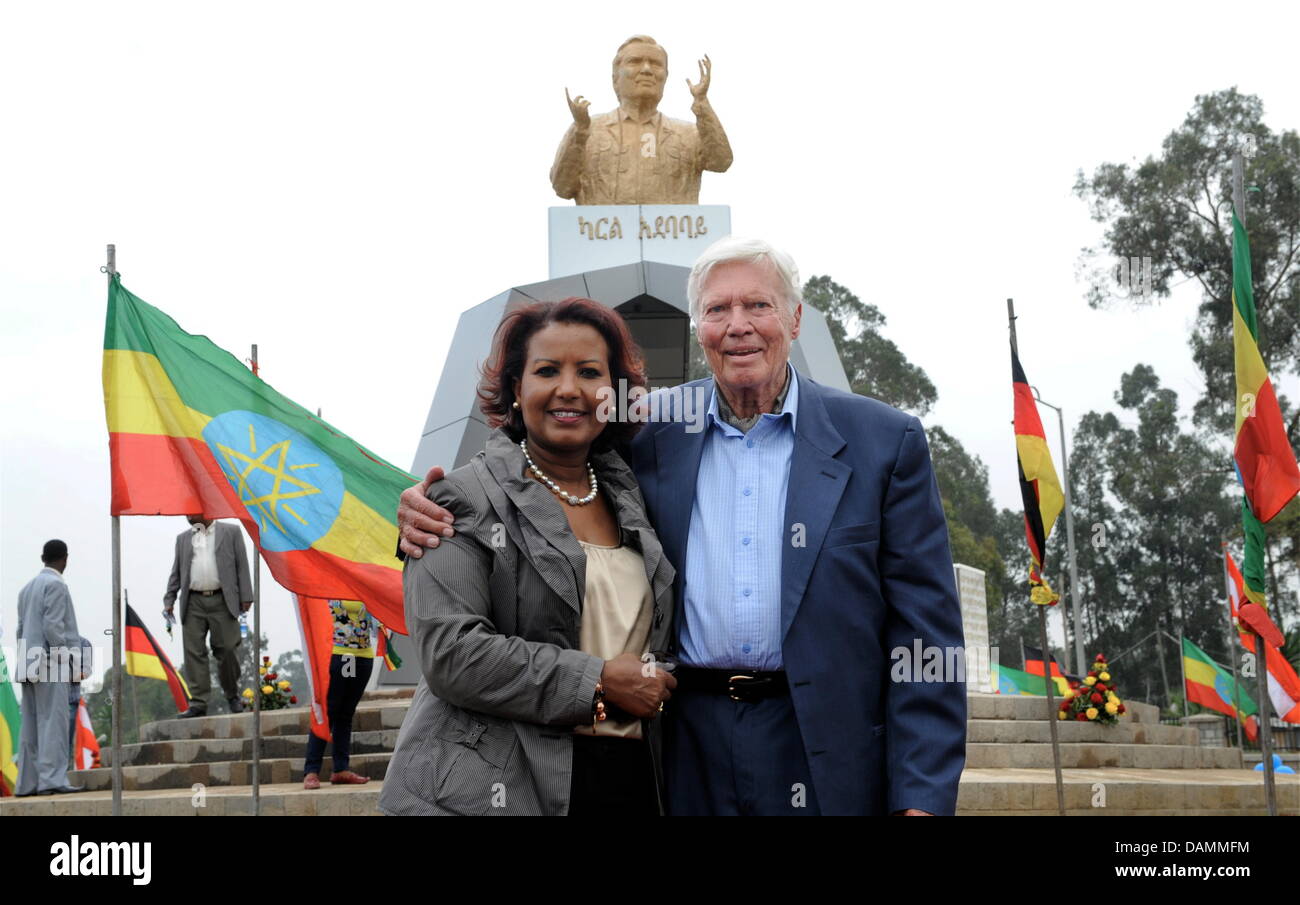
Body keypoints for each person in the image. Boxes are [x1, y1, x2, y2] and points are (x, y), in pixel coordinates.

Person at [399, 237, 967, 816]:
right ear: (699, 328)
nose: (738, 326)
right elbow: (544, 466)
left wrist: (920, 797)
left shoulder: (883, 442)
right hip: (683, 750)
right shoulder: (650, 433)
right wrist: (430, 506)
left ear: (794, 318)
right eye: (718, 310)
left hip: (826, 750)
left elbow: (925, 636)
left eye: (758, 306)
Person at [379, 297, 677, 816]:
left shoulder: (635, 496)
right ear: (517, 389)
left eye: (589, 372)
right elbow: (452, 653)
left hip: (630, 779)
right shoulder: (459, 499)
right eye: (547, 371)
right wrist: (601, 681)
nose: (569, 389)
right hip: (498, 785)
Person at [550, 34, 732, 205]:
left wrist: (702, 104)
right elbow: (562, 188)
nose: (646, 69)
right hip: (603, 234)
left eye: (655, 64)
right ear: (615, 78)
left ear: (665, 77)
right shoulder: (588, 130)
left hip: (672, 236)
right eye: (635, 61)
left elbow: (721, 162)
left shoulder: (688, 134)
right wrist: (580, 134)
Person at [164, 516, 253, 718]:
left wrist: (246, 596)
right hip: (193, 601)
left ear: (207, 509)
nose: (188, 515)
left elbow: (242, 565)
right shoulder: (183, 539)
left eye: (192, 510)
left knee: (228, 649)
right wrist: (169, 599)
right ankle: (198, 703)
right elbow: (176, 572)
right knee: (194, 652)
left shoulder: (231, 532)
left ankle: (232, 695)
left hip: (222, 599)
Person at [15, 539, 84, 796]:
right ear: (64, 558)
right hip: (51, 663)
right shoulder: (56, 584)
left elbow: (21, 629)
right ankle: (52, 780)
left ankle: (27, 783)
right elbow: (53, 627)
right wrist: (66, 660)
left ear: (43, 557)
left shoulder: (26, 588)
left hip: (28, 661)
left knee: (30, 726)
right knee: (53, 724)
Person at [302, 599, 377, 789]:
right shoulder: (329, 582)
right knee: (330, 711)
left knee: (346, 712)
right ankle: (311, 771)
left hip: (363, 656)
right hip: (341, 654)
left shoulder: (363, 582)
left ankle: (341, 769)